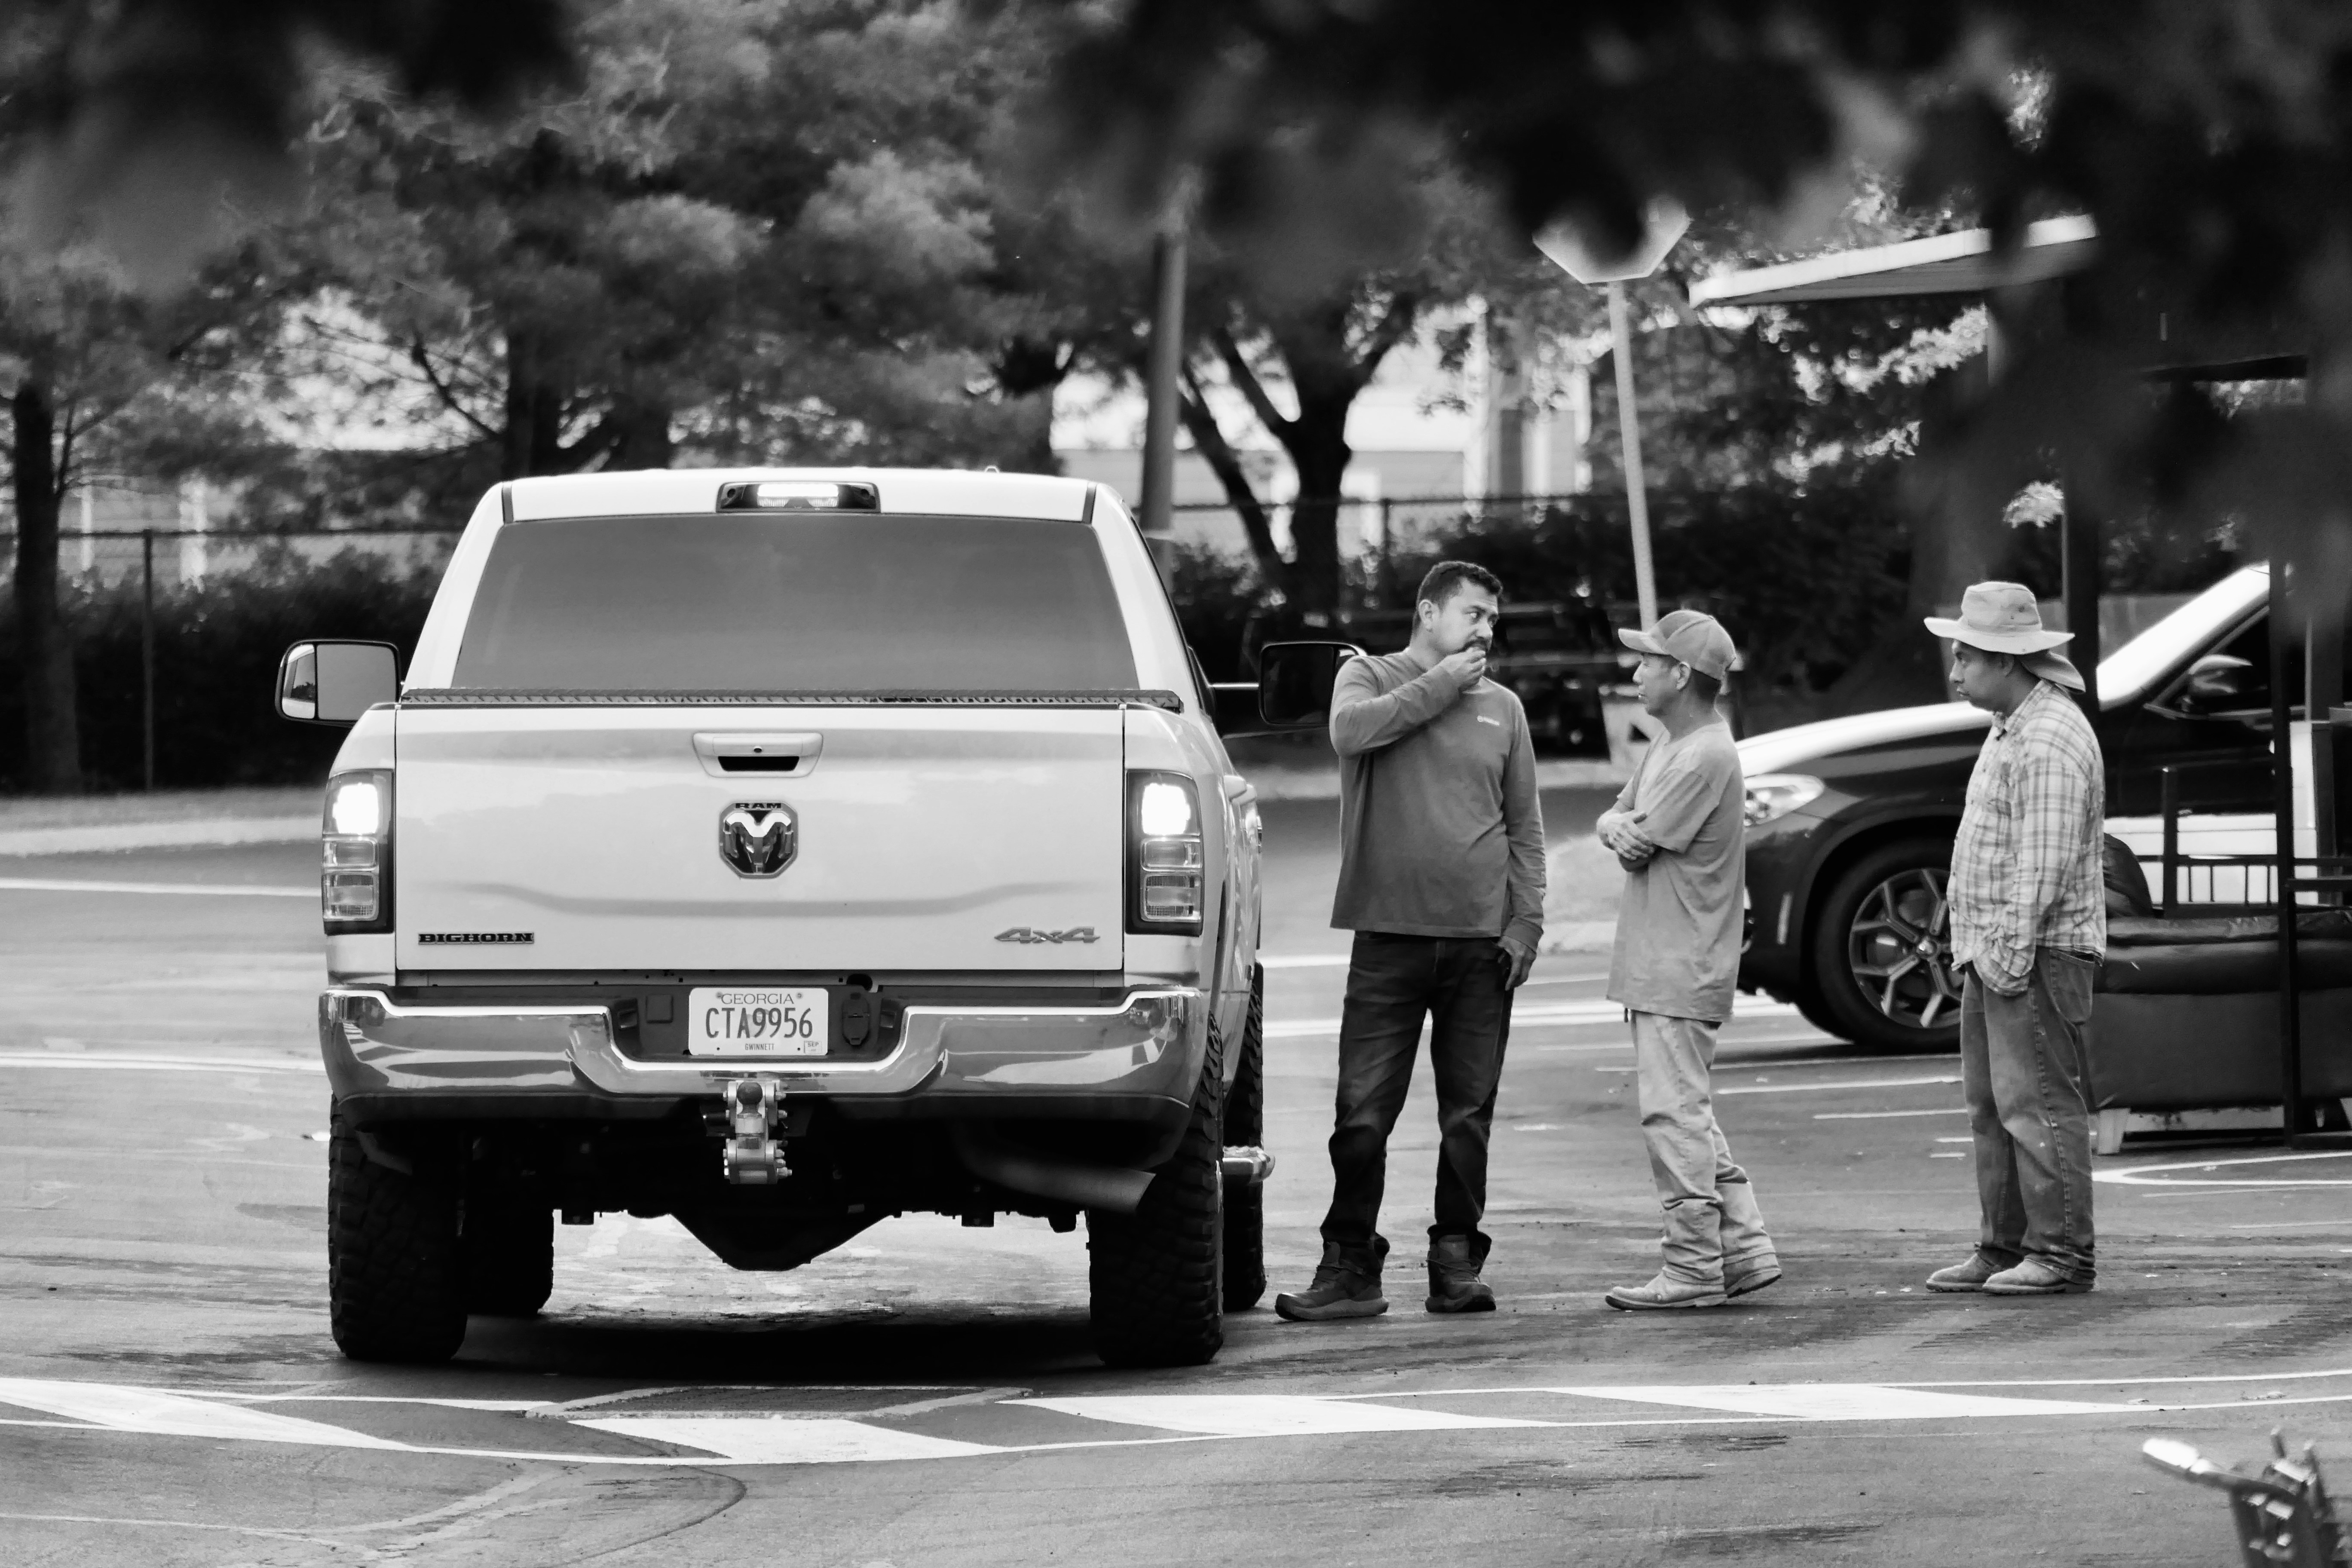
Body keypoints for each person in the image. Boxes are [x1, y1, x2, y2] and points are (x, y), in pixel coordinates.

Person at [1273, 560, 1546, 1322]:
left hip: (1481, 943)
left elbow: (1524, 827)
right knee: (1362, 1115)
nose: (1486, 629)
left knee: (1468, 1115)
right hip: (1388, 938)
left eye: (1493, 617)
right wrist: (1445, 684)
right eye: (1472, 613)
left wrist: (1528, 923)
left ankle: (1455, 1262)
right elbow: (1351, 734)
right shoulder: (1366, 676)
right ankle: (1351, 1264)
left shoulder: (1505, 711)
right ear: (1429, 612)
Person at [1923, 582, 2106, 1296]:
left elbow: (2045, 859)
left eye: (1965, 655)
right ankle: (2006, 1246)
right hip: (2000, 949)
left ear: (2004, 660)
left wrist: (2007, 949)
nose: (1956, 669)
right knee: (1996, 1106)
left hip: (2029, 952)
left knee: (2036, 1104)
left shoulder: (2050, 735)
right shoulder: (2016, 725)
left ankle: (2060, 1254)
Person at [1595, 609, 1780, 1311]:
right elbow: (1618, 818)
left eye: (1648, 662)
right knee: (1687, 1114)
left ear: (1681, 675)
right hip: (1664, 961)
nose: (1637, 673)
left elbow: (1635, 835)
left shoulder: (1702, 754)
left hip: (1681, 962)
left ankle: (1694, 1264)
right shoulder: (1672, 743)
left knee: (1672, 1118)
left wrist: (1620, 825)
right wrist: (1618, 823)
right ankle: (1744, 1247)